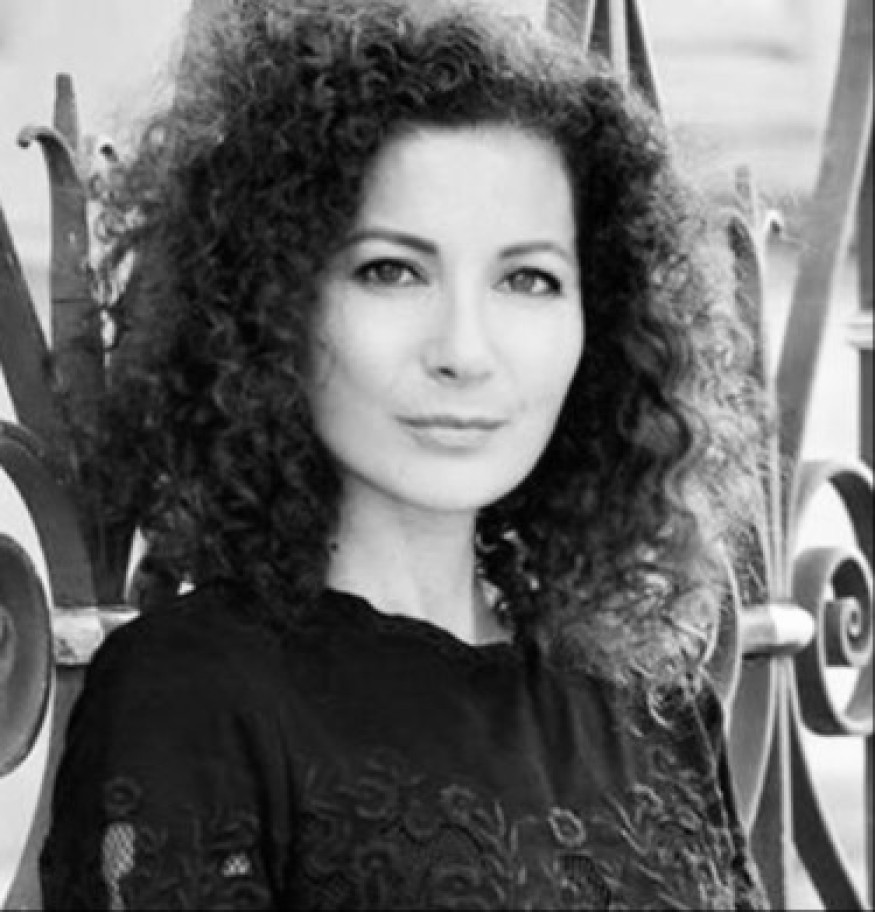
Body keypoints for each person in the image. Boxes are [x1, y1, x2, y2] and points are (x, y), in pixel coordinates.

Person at [39, 0, 770, 908]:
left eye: (528, 278)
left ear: (600, 322)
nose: (463, 350)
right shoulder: (192, 699)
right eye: (390, 270)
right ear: (276, 304)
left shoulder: (654, 703)